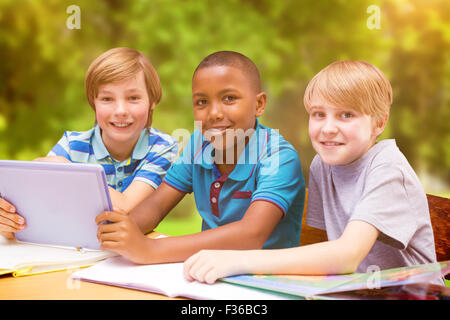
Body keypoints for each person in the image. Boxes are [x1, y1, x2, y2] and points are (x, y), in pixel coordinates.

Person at [183, 60, 440, 285]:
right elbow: (325, 250)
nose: (328, 128)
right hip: (356, 291)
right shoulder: (323, 164)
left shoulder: (388, 168)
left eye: (346, 115)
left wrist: (237, 260)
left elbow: (346, 255)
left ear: (379, 123)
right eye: (318, 114)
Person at [95, 51, 305, 264]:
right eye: (202, 102)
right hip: (207, 274)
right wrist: (122, 232)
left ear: (259, 104)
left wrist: (150, 249)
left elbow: (250, 235)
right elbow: (157, 205)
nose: (213, 113)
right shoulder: (199, 144)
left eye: (229, 98)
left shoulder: (279, 157)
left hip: (264, 281)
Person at [0, 47, 178, 239]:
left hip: (131, 252)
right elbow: (38, 210)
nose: (120, 110)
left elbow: (126, 207)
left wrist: (68, 171)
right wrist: (11, 223)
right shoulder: (72, 144)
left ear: (152, 101)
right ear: (94, 102)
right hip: (77, 248)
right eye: (107, 98)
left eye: (133, 98)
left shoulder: (162, 147)